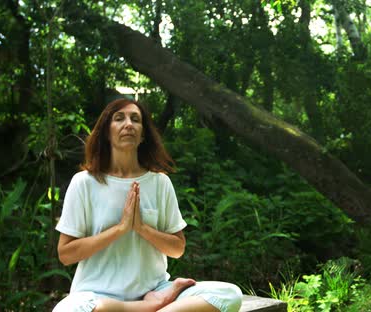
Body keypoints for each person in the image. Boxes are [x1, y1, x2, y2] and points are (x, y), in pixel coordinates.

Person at [53, 98, 242, 312]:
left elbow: (177, 248)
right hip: (97, 295)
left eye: (135, 119)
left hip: (156, 289)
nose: (128, 124)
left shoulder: (159, 183)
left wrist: (142, 228)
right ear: (106, 132)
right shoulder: (85, 183)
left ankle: (150, 305)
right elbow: (66, 254)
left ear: (143, 135)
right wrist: (120, 229)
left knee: (229, 294)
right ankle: (147, 308)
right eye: (119, 118)